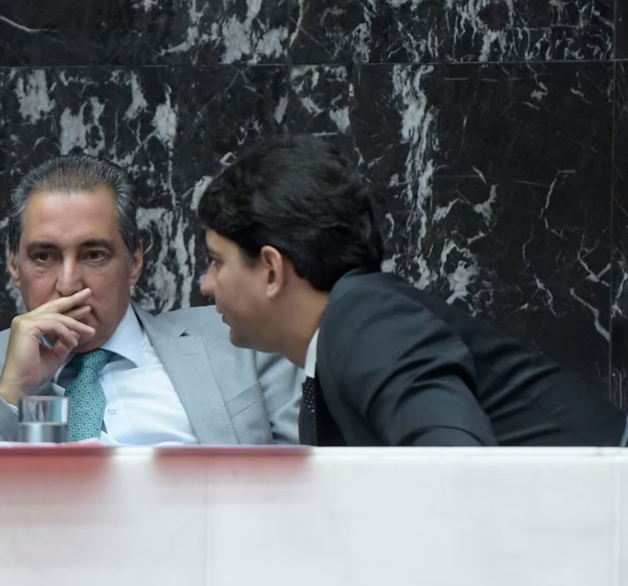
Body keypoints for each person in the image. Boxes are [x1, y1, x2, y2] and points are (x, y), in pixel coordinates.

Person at [196, 135, 628, 446]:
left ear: (271, 270)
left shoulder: (366, 321)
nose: (206, 284)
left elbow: (451, 464)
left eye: (217, 261)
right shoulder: (341, 336)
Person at [0, 154, 301, 444]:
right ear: (14, 265)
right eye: (44, 256)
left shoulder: (242, 342)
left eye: (93, 254)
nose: (68, 283)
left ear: (135, 261)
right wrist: (14, 391)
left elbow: (310, 483)